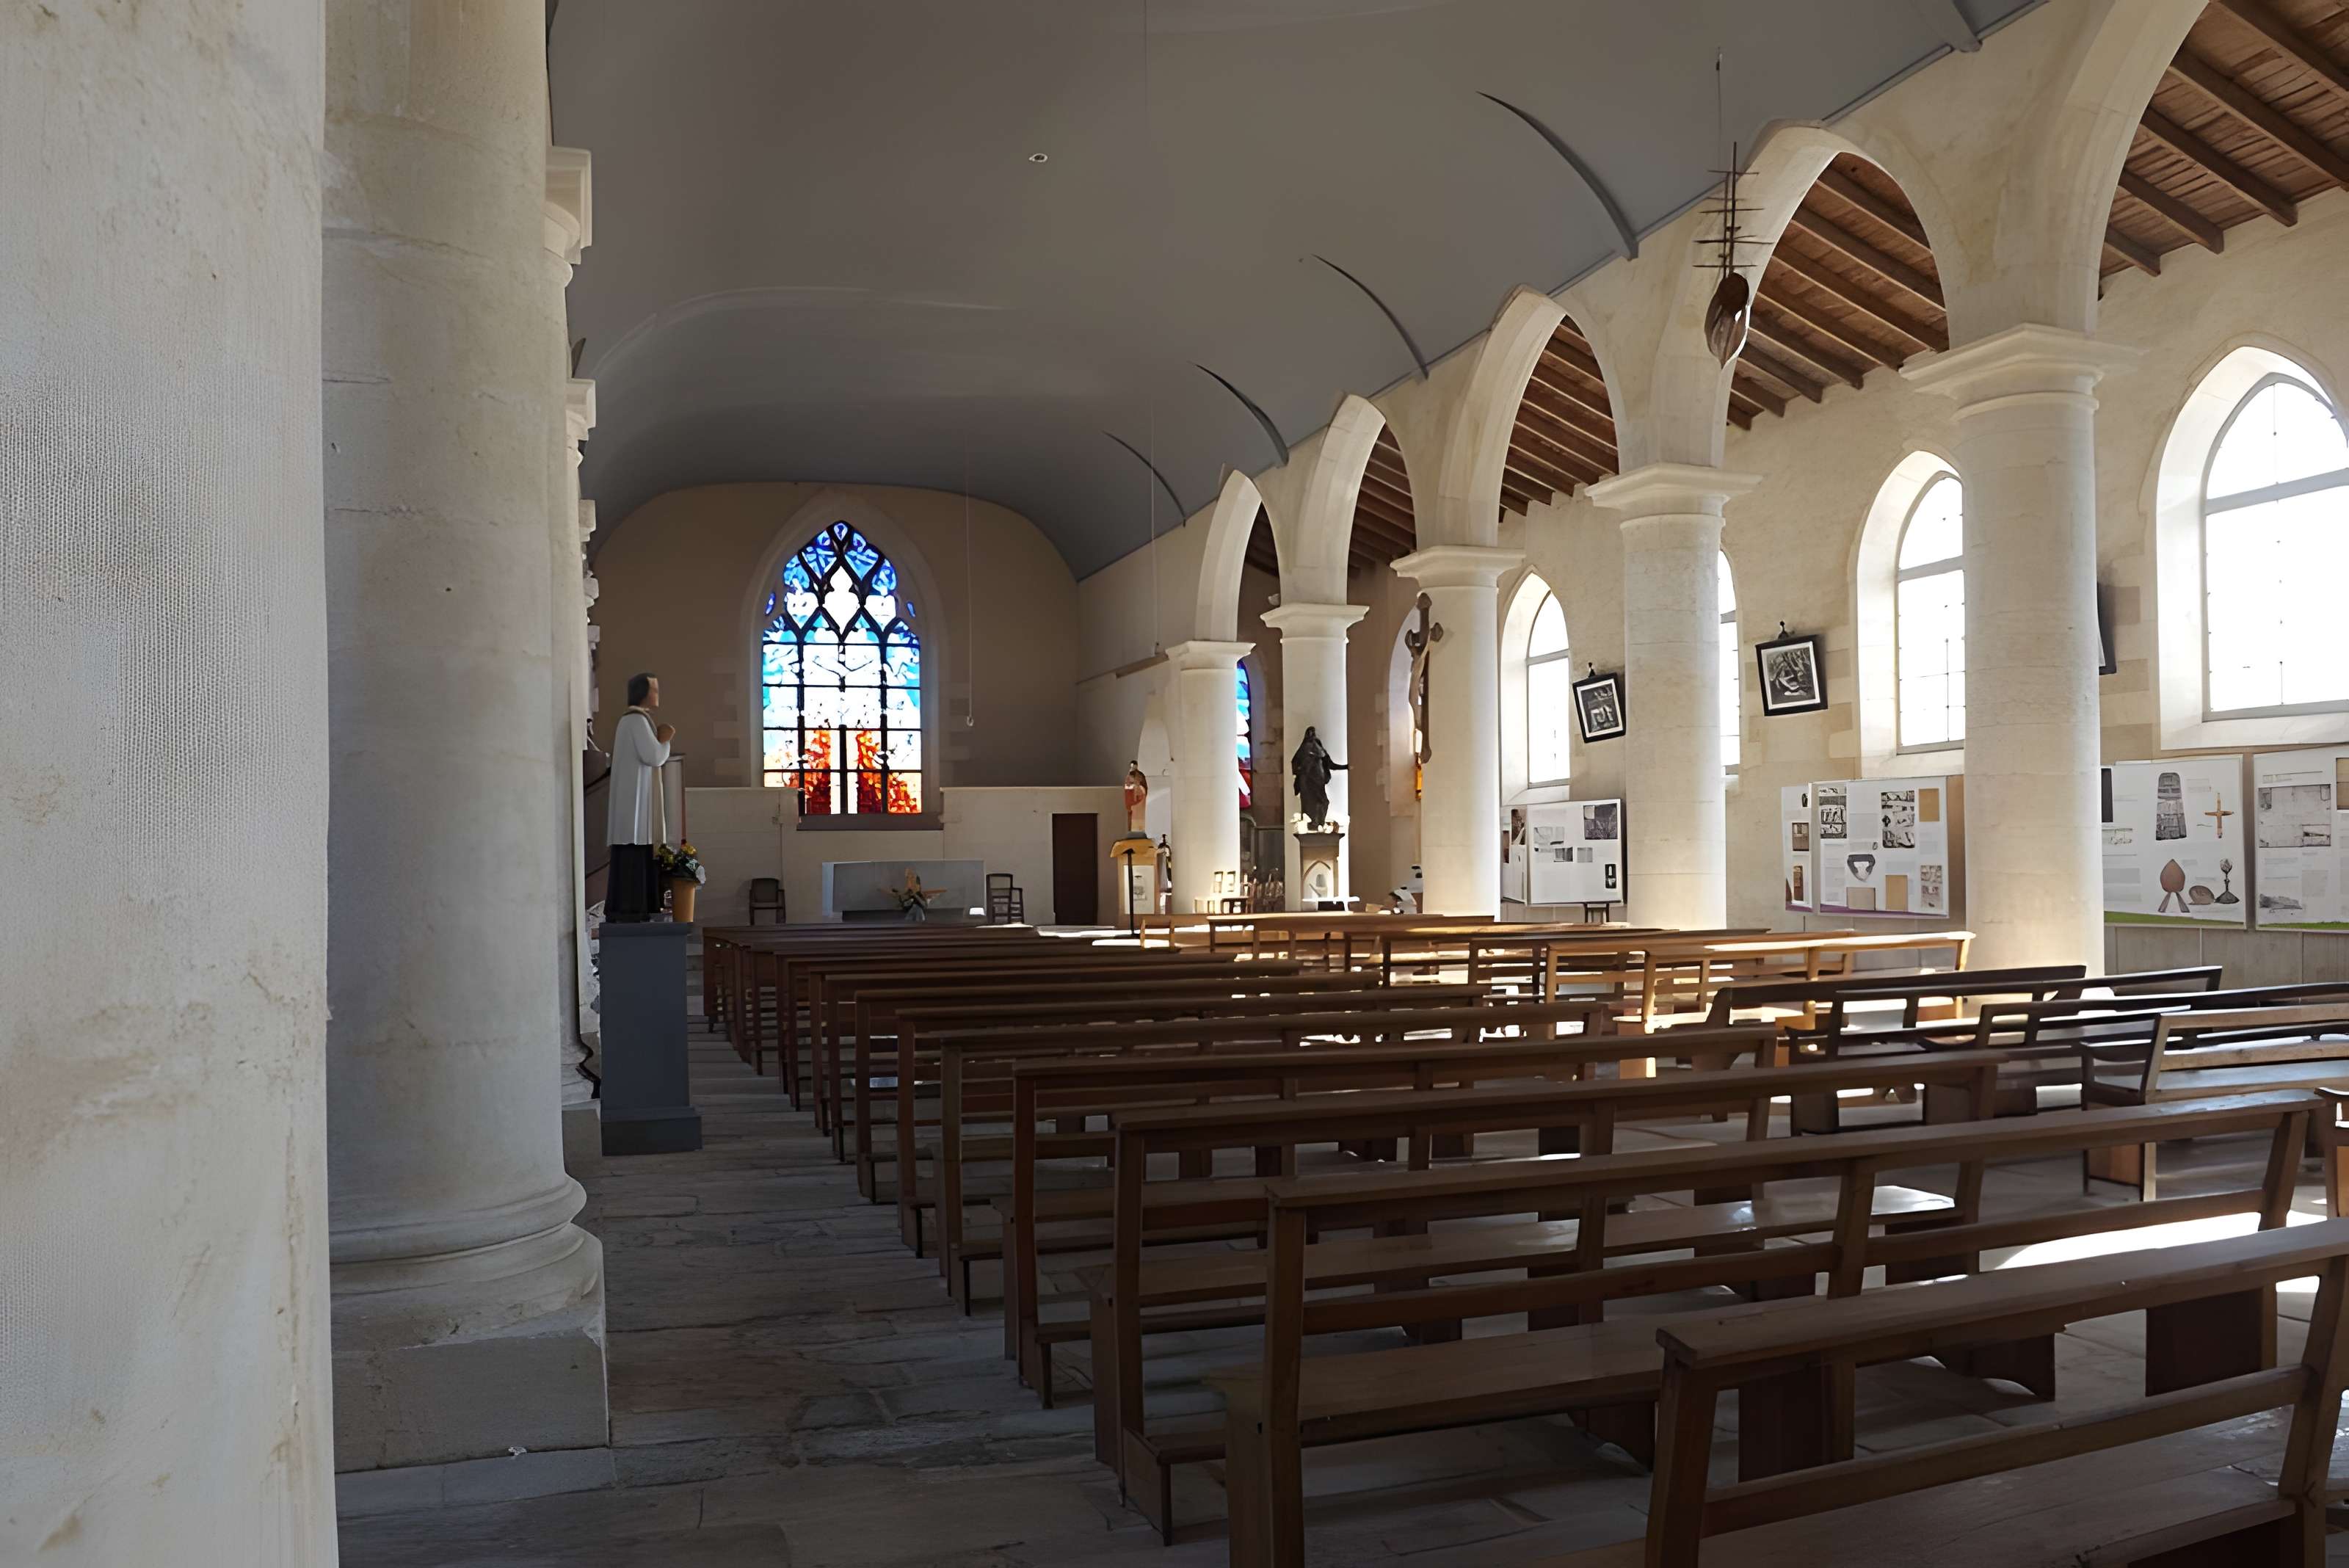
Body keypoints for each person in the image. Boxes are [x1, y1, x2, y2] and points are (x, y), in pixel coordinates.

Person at [607, 672, 675, 922]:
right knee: (633, 851)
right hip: (633, 803)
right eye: (654, 690)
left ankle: (638, 906)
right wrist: (665, 740)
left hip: (635, 799)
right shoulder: (635, 720)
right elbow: (653, 756)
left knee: (636, 852)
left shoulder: (634, 720)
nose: (657, 695)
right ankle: (632, 908)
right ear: (643, 692)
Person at [1289, 725, 1347, 832]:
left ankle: (1320, 823)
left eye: (1313, 732)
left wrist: (1345, 767)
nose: (1312, 735)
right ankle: (1313, 824)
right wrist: (1300, 773)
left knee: (1324, 802)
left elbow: (1329, 764)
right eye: (1310, 733)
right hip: (1307, 781)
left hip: (1318, 780)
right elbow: (1295, 763)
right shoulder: (1304, 749)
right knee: (1309, 804)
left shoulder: (1319, 748)